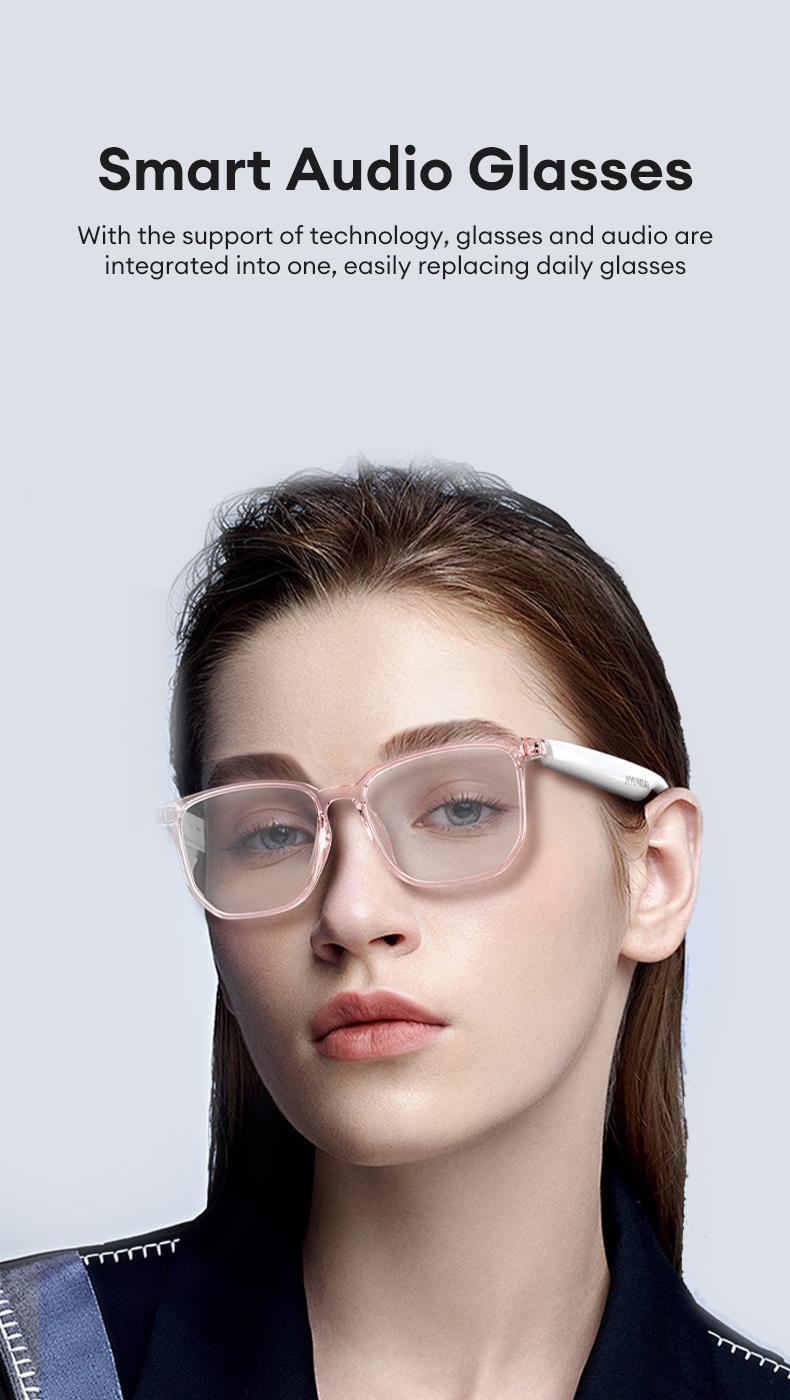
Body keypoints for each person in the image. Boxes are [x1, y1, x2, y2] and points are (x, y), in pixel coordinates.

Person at [1, 458, 786, 1400]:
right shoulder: (48, 1366)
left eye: (459, 808)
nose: (351, 913)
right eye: (272, 832)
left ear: (656, 875)